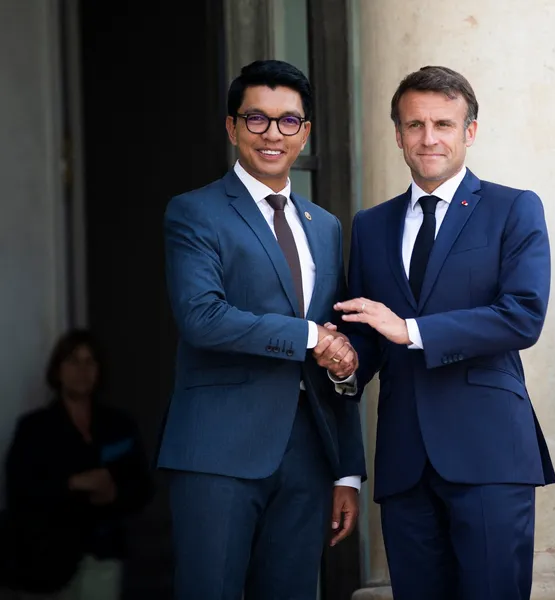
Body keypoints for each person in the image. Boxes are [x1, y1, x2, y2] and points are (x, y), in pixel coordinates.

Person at [333, 65, 555, 600]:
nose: (428, 138)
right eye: (415, 125)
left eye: (443, 124)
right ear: (398, 135)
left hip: (489, 455)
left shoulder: (513, 208)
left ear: (470, 131)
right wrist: (344, 360)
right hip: (405, 460)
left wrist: (408, 329)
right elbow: (367, 337)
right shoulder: (371, 224)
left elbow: (523, 314)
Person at [157, 59, 366, 600]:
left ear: (305, 132)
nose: (273, 134)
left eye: (288, 121)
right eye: (256, 119)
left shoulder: (325, 226)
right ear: (232, 128)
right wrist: (309, 337)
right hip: (218, 450)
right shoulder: (195, 212)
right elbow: (202, 316)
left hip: (308, 454)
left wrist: (346, 470)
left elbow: (337, 339)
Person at [3, 329, 153, 599]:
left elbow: (143, 488)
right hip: (46, 562)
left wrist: (114, 494)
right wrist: (72, 484)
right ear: (58, 370)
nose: (82, 370)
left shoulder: (119, 426)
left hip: (104, 554)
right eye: (73, 361)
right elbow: (20, 490)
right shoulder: (34, 428)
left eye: (90, 362)